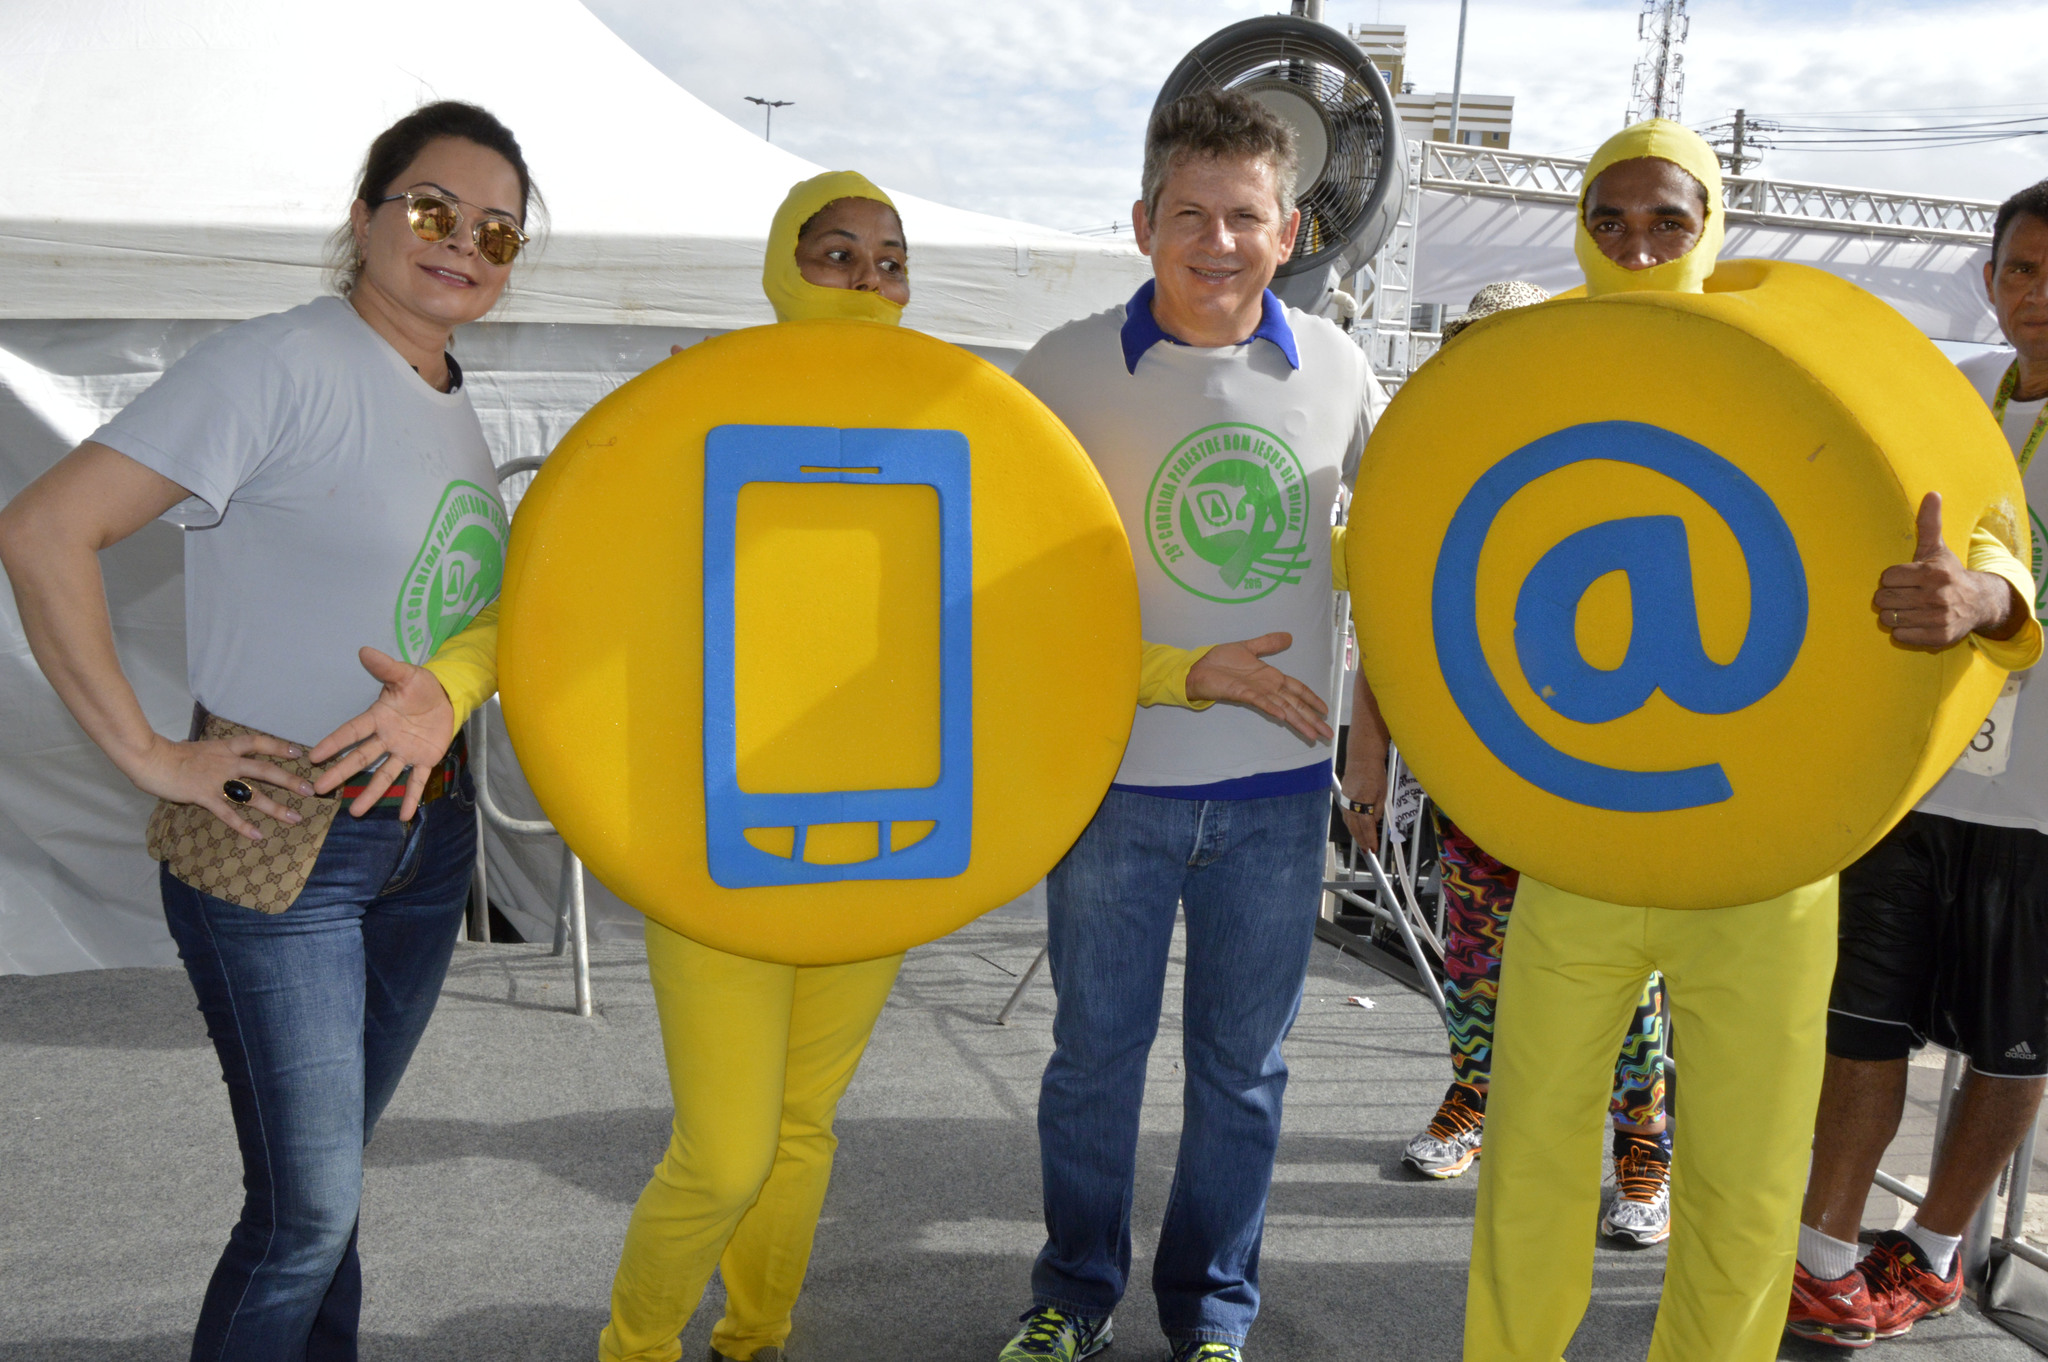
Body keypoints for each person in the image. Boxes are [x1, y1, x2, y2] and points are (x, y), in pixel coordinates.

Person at [1457, 121, 2042, 1362]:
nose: (1636, 244)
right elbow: (1437, 534)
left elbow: (1978, 517)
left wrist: (1985, 598)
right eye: (1608, 218)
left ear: (1710, 225)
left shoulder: (1791, 357)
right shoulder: (1525, 373)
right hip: (1580, 833)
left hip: (1766, 851)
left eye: (1667, 219)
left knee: (1744, 1176)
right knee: (1530, 1154)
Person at [0, 101, 535, 1360]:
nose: (462, 244)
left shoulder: (452, 396)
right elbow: (43, 529)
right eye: (433, 209)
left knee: (327, 1195)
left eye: (497, 232)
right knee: (306, 1214)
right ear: (363, 215)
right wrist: (150, 754)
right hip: (282, 836)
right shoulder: (278, 362)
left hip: (427, 839)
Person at [993, 89, 1385, 1362]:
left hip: (1279, 795)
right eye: (1190, 215)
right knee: (1091, 1063)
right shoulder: (1056, 372)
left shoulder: (1340, 369)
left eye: (1245, 217)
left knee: (1241, 1075)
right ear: (1141, 223)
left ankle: (1211, 1310)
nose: (1218, 242)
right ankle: (1071, 1295)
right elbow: (1010, 589)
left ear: (1289, 231)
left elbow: (1394, 559)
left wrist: (1370, 741)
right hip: (1110, 785)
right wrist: (1177, 672)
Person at [597, 170, 911, 1362]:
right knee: (725, 1152)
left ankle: (755, 1336)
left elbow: (1019, 615)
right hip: (716, 834)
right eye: (837, 253)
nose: (866, 278)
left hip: (876, 828)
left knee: (800, 1129)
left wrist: (1173, 673)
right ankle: (634, 1347)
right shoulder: (697, 401)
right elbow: (576, 583)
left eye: (890, 260)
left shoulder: (945, 421)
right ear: (784, 263)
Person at [1787, 177, 2048, 1350]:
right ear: (1987, 282)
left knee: (2010, 1044)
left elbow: (1993, 588)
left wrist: (1994, 603)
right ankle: (1821, 1258)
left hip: (2036, 808)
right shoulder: (1953, 397)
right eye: (2021, 271)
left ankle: (1933, 1249)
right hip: (1912, 780)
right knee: (1861, 1027)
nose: (2037, 297)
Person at [1377, 282, 1676, 1247]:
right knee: (1476, 957)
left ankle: (1643, 1144)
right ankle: (1475, 1093)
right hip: (1476, 778)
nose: (1488, 366)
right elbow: (1391, 619)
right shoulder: (1432, 467)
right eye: (1471, 346)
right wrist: (1374, 757)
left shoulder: (1598, 458)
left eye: (1506, 346)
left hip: (1591, 776)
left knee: (1622, 973)